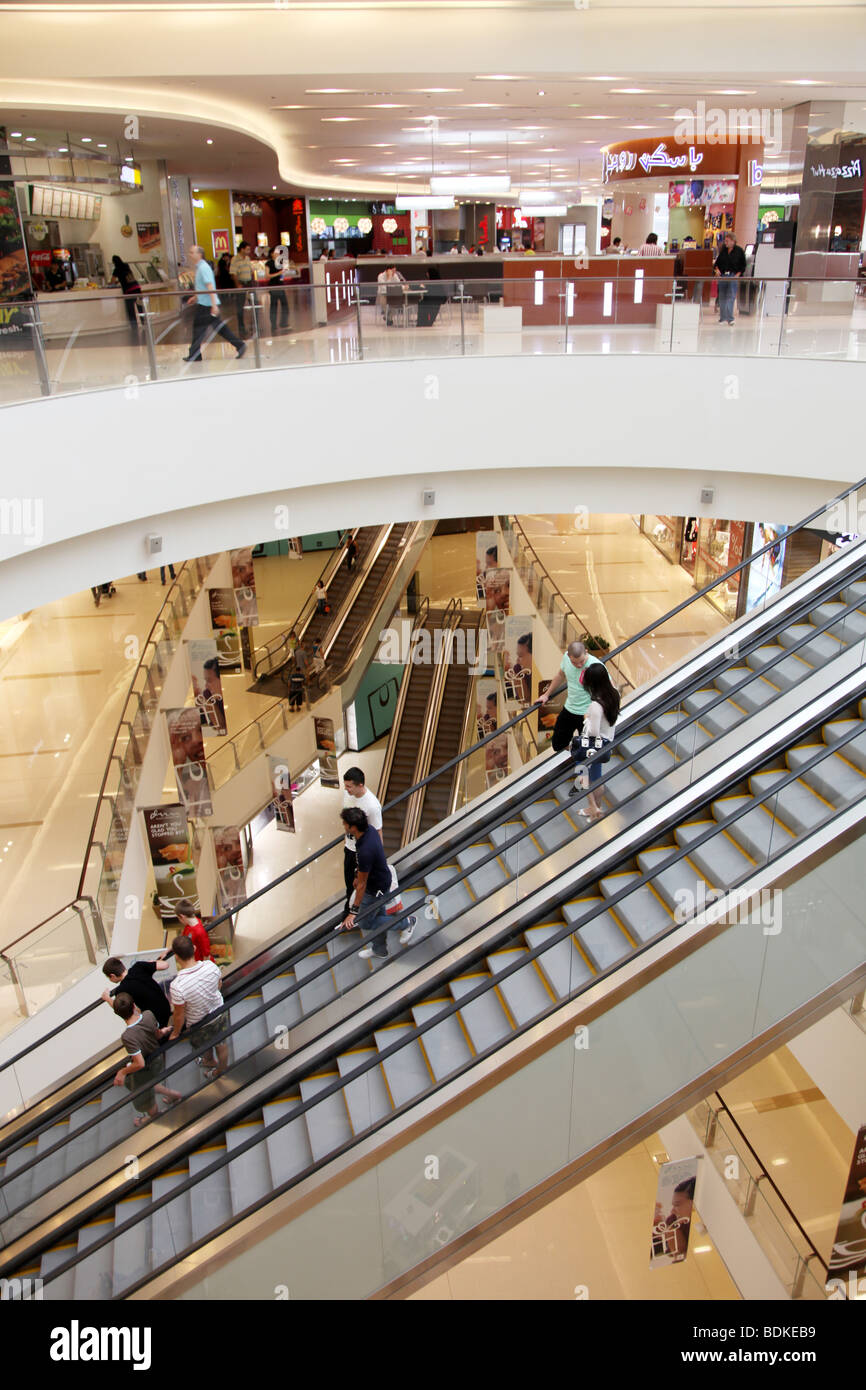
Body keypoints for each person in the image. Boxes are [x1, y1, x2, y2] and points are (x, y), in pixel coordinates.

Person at [338, 808, 414, 958]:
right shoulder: (369, 831)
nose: (343, 826)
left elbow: (362, 885)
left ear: (353, 827)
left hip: (375, 889)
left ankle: (407, 922)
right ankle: (380, 949)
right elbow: (364, 869)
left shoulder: (365, 850)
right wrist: (356, 874)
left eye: (345, 824)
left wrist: (353, 912)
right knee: (378, 916)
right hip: (379, 881)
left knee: (366, 922)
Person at [111, 994, 181, 1128]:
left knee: (143, 1093)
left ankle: (154, 1116)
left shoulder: (128, 1036)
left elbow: (139, 1063)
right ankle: (174, 1095)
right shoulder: (148, 1015)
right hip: (157, 1059)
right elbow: (158, 1034)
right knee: (148, 1083)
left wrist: (122, 1071)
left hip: (146, 1068)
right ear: (133, 1006)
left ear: (118, 1014)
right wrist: (165, 1030)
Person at [167, 934, 228, 1080]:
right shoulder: (210, 966)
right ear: (194, 949)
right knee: (221, 1043)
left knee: (201, 1044)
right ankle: (220, 1070)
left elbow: (179, 1014)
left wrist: (175, 1033)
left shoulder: (177, 986)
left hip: (199, 1023)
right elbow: (219, 984)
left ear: (176, 956)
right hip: (219, 1013)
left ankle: (208, 1060)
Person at [571, 662, 620, 819]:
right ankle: (596, 809)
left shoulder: (595, 705)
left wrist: (586, 720)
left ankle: (593, 807)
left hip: (596, 743)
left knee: (581, 770)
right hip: (608, 741)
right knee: (596, 776)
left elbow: (593, 731)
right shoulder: (614, 693)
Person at [536, 639, 602, 753]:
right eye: (574, 662)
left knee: (588, 749)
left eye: (581, 661)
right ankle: (572, 756)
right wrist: (546, 695)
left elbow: (610, 688)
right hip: (570, 708)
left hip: (587, 714)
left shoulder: (595, 665)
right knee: (558, 744)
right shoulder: (566, 658)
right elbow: (560, 675)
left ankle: (581, 763)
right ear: (569, 656)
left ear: (586, 652)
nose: (579, 665)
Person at [183, 245, 245, 363]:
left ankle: (194, 354)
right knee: (220, 328)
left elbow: (210, 286)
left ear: (199, 254)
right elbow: (204, 287)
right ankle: (240, 345)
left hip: (206, 305)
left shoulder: (203, 268)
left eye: (192, 252)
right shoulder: (201, 267)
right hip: (206, 303)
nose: (190, 254)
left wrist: (214, 305)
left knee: (198, 328)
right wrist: (196, 297)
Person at [341, 766, 383, 915]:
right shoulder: (347, 795)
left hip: (363, 852)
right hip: (350, 848)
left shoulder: (372, 806)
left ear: (360, 785)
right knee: (349, 883)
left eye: (349, 786)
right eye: (345, 786)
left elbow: (378, 832)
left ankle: (354, 913)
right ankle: (350, 909)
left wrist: (379, 857)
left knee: (361, 882)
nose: (346, 789)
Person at [102, 953, 172, 1027]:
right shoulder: (138, 966)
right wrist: (151, 964)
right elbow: (165, 965)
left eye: (108, 977)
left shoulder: (121, 990)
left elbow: (121, 1009)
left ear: (112, 976)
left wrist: (107, 998)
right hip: (166, 1007)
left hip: (155, 1018)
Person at [714, 231, 746, 326]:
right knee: (722, 297)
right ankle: (722, 318)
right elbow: (717, 263)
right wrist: (717, 270)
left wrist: (737, 275)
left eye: (727, 241)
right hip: (723, 276)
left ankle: (730, 318)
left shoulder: (739, 251)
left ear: (733, 241)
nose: (725, 243)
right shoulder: (723, 251)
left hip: (733, 275)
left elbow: (743, 265)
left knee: (730, 297)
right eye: (725, 241)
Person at [229, 239, 254, 337]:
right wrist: (238, 285)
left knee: (254, 303)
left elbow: (251, 270)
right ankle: (241, 328)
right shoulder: (235, 259)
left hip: (249, 284)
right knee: (240, 307)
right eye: (247, 249)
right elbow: (233, 273)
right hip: (241, 284)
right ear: (242, 249)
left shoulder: (247, 259)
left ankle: (253, 325)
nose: (249, 251)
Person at [110, 254, 141, 330]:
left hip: (129, 290)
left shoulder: (116, 269)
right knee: (140, 306)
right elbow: (127, 276)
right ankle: (144, 322)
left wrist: (115, 282)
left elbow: (112, 281)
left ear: (114, 262)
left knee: (131, 310)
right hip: (137, 287)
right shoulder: (126, 265)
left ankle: (134, 326)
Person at [265, 245, 290, 333]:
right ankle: (273, 324)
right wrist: (278, 273)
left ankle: (284, 322)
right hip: (273, 286)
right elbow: (267, 275)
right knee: (274, 306)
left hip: (280, 285)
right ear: (272, 254)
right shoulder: (269, 263)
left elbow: (283, 272)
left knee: (285, 305)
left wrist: (283, 273)